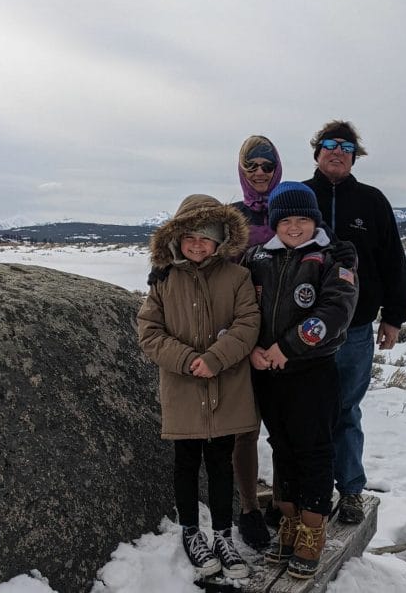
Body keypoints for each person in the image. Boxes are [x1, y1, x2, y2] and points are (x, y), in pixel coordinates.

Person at [137, 194, 261, 579]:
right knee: (186, 463)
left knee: (222, 463)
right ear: (176, 238)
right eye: (189, 235)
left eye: (206, 236)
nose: (197, 243)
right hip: (183, 390)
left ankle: (223, 534)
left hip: (227, 388)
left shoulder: (238, 278)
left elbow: (247, 324)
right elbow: (149, 331)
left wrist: (215, 358)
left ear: (221, 239)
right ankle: (192, 532)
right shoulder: (164, 281)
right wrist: (188, 359)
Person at [242, 181, 358, 579]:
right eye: (285, 220)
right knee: (282, 447)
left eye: (302, 220)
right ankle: (289, 521)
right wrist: (254, 348)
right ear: (274, 222)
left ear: (314, 221)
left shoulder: (331, 258)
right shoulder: (257, 257)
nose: (293, 228)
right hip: (268, 373)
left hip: (311, 372)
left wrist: (286, 347)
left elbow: (335, 312)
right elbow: (239, 305)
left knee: (313, 451)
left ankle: (312, 529)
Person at [303, 120, 406, 524]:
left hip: (355, 329)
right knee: (305, 412)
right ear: (317, 152)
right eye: (329, 144)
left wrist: (394, 316)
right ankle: (304, 493)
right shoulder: (298, 196)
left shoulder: (372, 201)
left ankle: (349, 490)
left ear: (354, 156)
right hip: (303, 330)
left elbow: (392, 260)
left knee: (346, 410)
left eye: (346, 146)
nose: (337, 151)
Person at [229, 135, 282, 550]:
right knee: (246, 429)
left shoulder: (293, 210)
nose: (261, 173)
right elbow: (198, 252)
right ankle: (248, 509)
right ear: (242, 170)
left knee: (284, 429)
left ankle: (282, 504)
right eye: (253, 166)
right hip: (243, 337)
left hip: (284, 340)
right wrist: (162, 269)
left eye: (267, 165)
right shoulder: (231, 218)